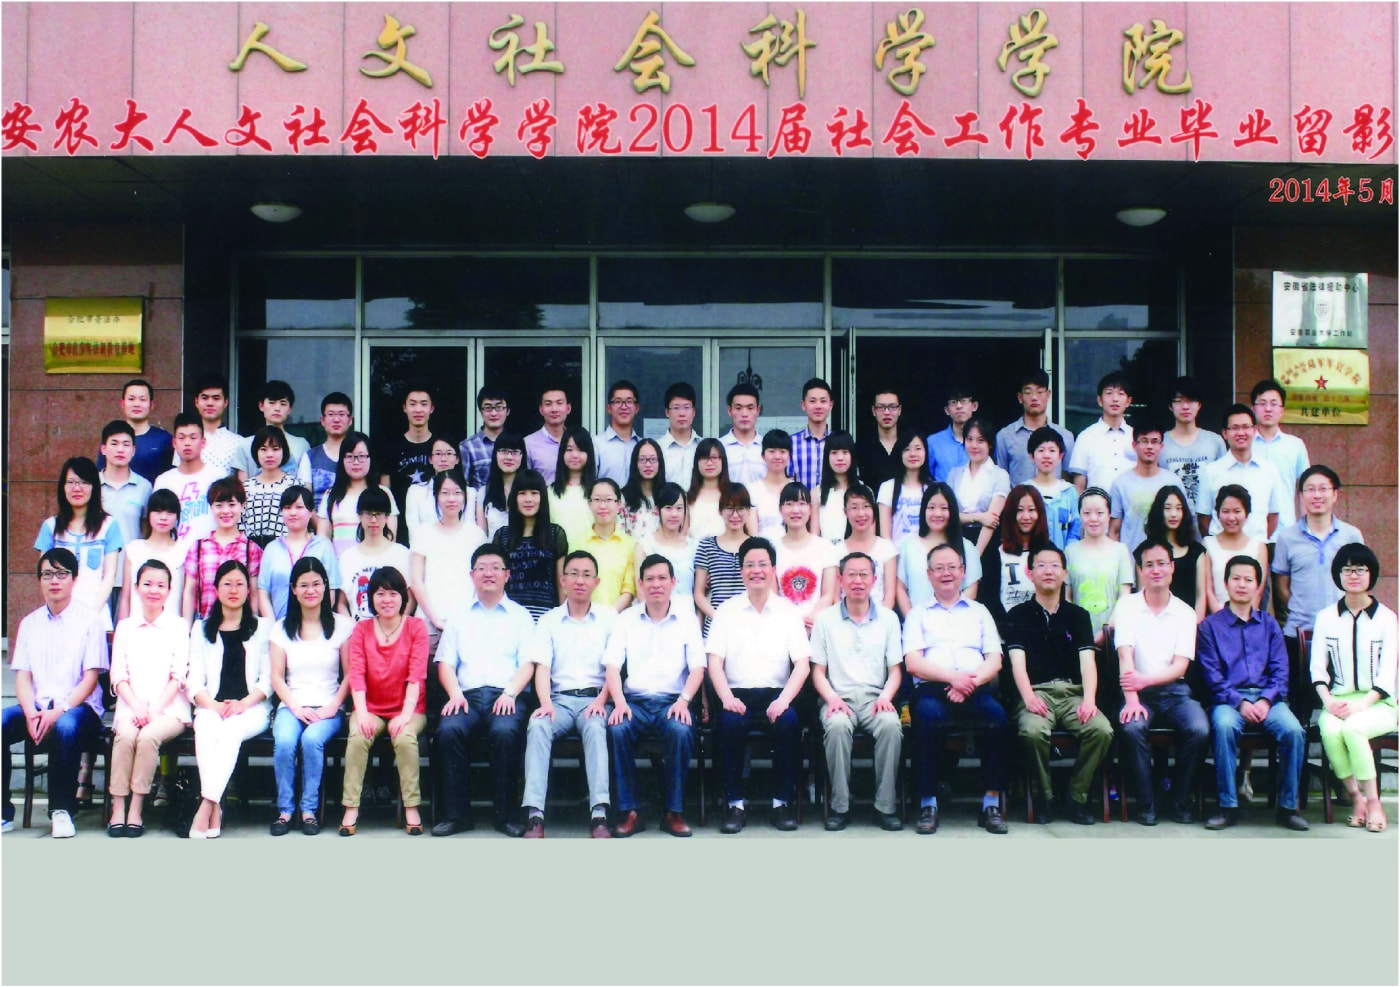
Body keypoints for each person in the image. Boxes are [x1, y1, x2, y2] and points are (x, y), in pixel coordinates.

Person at [706, 537, 812, 833]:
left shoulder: (789, 611)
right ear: (741, 570)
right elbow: (714, 662)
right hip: (736, 695)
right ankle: (735, 804)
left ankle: (781, 803)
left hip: (777, 695)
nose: (756, 570)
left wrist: (784, 701)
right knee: (729, 725)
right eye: (750, 565)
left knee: (789, 723)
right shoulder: (726, 611)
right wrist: (726, 698)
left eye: (763, 564)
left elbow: (802, 664)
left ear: (773, 569)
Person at [903, 542, 1009, 835]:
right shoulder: (918, 614)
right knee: (927, 717)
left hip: (975, 686)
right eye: (939, 568)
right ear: (929, 575)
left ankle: (991, 803)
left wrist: (968, 682)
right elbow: (913, 663)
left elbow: (995, 660)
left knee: (997, 718)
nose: (946, 573)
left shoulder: (979, 611)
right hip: (931, 688)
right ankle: (928, 803)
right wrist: (953, 678)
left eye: (952, 567)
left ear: (963, 571)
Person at [1196, 554, 1309, 831]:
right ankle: (1228, 806)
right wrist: (1241, 702)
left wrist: (1266, 700)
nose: (1242, 584)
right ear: (1226, 583)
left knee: (1294, 731)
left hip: (1268, 699)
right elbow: (1212, 677)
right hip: (1228, 700)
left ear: (1258, 586)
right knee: (1224, 727)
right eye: (1236, 578)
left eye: (1249, 579)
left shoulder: (1270, 625)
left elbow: (1281, 671)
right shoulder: (1210, 627)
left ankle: (1288, 808)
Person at [432, 544, 537, 837]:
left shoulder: (521, 616)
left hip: (507, 695)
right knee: (449, 730)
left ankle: (506, 816)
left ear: (507, 575)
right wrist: (455, 693)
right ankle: (457, 816)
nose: (488, 573)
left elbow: (528, 663)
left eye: (495, 568)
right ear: (472, 575)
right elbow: (445, 663)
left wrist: (510, 694)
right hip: (465, 695)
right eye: (481, 568)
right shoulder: (458, 616)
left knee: (505, 731)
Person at [2, 549, 108, 838]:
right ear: (39, 580)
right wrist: (30, 712)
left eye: (62, 574)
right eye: (47, 574)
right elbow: (23, 677)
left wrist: (58, 710)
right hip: (38, 705)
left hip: (79, 708)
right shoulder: (29, 623)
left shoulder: (90, 621)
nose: (54, 580)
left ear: (74, 579)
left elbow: (90, 680)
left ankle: (61, 810)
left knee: (65, 726)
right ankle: (3, 812)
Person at [1005, 544, 1113, 825]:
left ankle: (1077, 796)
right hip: (1036, 693)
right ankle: (1045, 797)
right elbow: (1017, 664)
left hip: (1073, 694)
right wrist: (1028, 698)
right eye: (1041, 565)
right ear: (1030, 573)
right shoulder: (1017, 615)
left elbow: (1088, 663)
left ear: (1065, 573)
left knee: (1101, 730)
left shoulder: (1079, 616)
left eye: (1055, 565)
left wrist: (1089, 700)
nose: (1048, 571)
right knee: (1032, 731)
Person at [605, 554, 708, 837]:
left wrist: (684, 701)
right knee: (616, 728)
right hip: (634, 703)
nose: (656, 584)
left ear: (673, 582)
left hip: (672, 702)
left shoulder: (687, 620)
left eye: (662, 578)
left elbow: (698, 668)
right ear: (640, 584)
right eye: (649, 579)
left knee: (680, 729)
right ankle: (630, 811)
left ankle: (673, 812)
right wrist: (620, 703)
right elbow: (612, 666)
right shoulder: (626, 620)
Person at [1113, 539, 1210, 826]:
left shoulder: (1185, 612)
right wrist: (1132, 699)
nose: (1156, 570)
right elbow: (1125, 656)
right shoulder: (1127, 606)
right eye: (1149, 565)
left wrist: (1144, 679)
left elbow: (1180, 666)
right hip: (1137, 692)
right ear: (1141, 570)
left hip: (1175, 691)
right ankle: (1147, 804)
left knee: (1199, 729)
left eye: (1162, 564)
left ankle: (1178, 800)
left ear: (1172, 568)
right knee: (1132, 728)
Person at [520, 551, 616, 838]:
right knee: (538, 725)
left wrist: (601, 701)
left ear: (597, 582)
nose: (579, 580)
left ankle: (599, 812)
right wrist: (545, 703)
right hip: (558, 701)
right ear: (562, 580)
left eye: (587, 575)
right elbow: (542, 667)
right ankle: (535, 814)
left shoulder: (609, 618)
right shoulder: (548, 620)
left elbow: (614, 667)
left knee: (596, 728)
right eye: (573, 574)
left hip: (595, 699)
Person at [810, 552, 904, 831]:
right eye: (851, 574)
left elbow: (895, 670)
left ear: (874, 580)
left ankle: (885, 807)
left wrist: (885, 697)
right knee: (837, 726)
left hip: (876, 698)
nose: (858, 581)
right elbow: (818, 672)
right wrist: (831, 698)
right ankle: (840, 807)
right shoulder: (825, 620)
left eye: (864, 574)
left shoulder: (888, 619)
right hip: (838, 698)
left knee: (891, 725)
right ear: (840, 579)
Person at [1311, 544, 1397, 833]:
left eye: (1360, 569)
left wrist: (1362, 706)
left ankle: (1374, 802)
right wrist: (1328, 701)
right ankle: (1356, 799)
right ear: (1338, 574)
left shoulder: (1386, 618)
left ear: (1371, 574)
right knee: (1330, 730)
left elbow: (1387, 674)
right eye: (1347, 569)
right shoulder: (1326, 617)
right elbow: (1317, 668)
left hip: (1379, 703)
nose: (1354, 575)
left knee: (1353, 728)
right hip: (1338, 699)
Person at [186, 560, 272, 838]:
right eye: (227, 584)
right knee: (205, 728)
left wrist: (243, 704)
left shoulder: (262, 627)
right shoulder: (201, 629)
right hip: (212, 705)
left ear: (248, 590)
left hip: (252, 708)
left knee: (231, 730)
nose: (233, 590)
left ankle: (206, 806)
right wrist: (212, 705)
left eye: (239, 584)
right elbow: (194, 680)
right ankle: (215, 807)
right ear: (216, 589)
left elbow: (268, 680)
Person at [340, 567, 429, 837]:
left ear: (403, 596)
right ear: (371, 598)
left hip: (409, 708)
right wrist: (362, 713)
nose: (387, 599)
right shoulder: (362, 629)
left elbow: (416, 676)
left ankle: (411, 806)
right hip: (370, 708)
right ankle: (351, 807)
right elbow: (356, 675)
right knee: (358, 736)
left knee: (405, 737)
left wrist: (405, 715)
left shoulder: (416, 627)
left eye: (393, 593)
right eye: (380, 594)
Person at [269, 557, 353, 836]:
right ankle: (285, 810)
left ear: (326, 586)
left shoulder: (342, 626)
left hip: (329, 707)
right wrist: (295, 707)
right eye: (303, 585)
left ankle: (309, 811)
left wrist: (333, 706)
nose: (310, 590)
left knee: (311, 739)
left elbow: (350, 675)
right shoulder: (281, 628)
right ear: (293, 589)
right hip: (292, 706)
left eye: (316, 584)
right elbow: (277, 677)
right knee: (284, 742)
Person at [106, 559, 189, 838]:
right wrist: (137, 706)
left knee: (148, 737)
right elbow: (118, 675)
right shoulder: (125, 627)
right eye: (148, 584)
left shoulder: (178, 627)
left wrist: (154, 710)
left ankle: (136, 807)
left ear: (169, 590)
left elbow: (178, 675)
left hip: (169, 709)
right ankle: (118, 806)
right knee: (126, 737)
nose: (154, 590)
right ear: (137, 587)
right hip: (131, 707)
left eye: (161, 585)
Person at [1272, 465, 1364, 687]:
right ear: (1301, 496)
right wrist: (1299, 607)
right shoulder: (1287, 537)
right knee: (1301, 697)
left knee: (1343, 693)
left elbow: (1361, 582)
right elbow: (1281, 584)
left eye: (1323, 489)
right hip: (1300, 631)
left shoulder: (1351, 535)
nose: (1317, 495)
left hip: (1343, 629)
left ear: (1335, 495)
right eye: (1310, 489)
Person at [35, 456, 124, 630]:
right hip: (58, 618)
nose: (77, 488)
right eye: (71, 482)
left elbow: (109, 575)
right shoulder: (50, 527)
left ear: (94, 487)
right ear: (63, 487)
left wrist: (91, 615)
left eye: (84, 482)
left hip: (97, 617)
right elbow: (45, 576)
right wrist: (58, 612)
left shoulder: (109, 525)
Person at [411, 468, 486, 653]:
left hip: (467, 625)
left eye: (457, 493)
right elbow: (416, 580)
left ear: (465, 496)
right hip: (428, 625)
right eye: (445, 493)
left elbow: (483, 580)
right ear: (436, 497)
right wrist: (435, 619)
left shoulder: (476, 535)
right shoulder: (423, 533)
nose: (451, 499)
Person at [1195, 404, 1284, 544]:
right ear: (1225, 433)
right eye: (1235, 428)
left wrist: (1255, 544)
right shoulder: (1210, 471)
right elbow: (1203, 518)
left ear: (1254, 430)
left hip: (1257, 549)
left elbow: (1273, 516)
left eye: (1246, 427)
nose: (1241, 433)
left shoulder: (1269, 470)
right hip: (1221, 551)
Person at [256, 486, 342, 622]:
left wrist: (316, 623)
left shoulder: (323, 546)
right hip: (279, 625)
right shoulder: (271, 549)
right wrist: (274, 628)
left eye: (299, 507)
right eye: (287, 507)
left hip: (315, 626)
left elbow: (331, 590)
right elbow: (263, 593)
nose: (293, 512)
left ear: (310, 512)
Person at [182, 478, 263, 622]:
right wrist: (187, 629)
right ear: (211, 507)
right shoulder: (198, 547)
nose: (226, 511)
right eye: (219, 505)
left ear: (242, 506)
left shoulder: (251, 549)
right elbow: (190, 591)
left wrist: (254, 625)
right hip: (205, 624)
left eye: (232, 504)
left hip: (241, 627)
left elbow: (254, 593)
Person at [895, 483, 982, 617]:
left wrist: (949, 621)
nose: (937, 513)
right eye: (931, 507)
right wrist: (912, 620)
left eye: (944, 508)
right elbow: (900, 588)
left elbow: (971, 590)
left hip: (955, 623)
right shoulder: (908, 544)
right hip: (917, 623)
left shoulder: (967, 547)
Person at [493, 469, 568, 621]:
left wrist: (562, 618)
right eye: (522, 493)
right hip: (510, 619)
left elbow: (562, 584)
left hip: (546, 619)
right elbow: (497, 583)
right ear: (514, 498)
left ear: (542, 498)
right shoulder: (502, 536)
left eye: (534, 493)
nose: (528, 499)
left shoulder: (555, 534)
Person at [1064, 487, 1133, 647]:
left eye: (1100, 513)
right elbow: (1067, 597)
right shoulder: (1070, 551)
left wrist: (1107, 630)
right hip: (1078, 637)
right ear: (1080, 515)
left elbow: (1125, 597)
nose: (1093, 519)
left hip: (1113, 638)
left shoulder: (1120, 550)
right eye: (1087, 513)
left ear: (1109, 515)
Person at [1109, 420, 1186, 554]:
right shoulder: (1121, 483)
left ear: (1161, 446)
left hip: (1167, 561)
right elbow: (1114, 530)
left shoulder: (1173, 481)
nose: (1149, 446)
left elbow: (1184, 524)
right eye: (1144, 441)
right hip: (1131, 559)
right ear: (1134, 445)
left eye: (1155, 441)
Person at [317, 430, 399, 556]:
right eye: (350, 456)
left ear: (370, 458)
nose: (356, 462)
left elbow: (390, 538)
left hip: (375, 563)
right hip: (340, 564)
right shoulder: (331, 495)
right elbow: (323, 540)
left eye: (361, 456)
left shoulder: (383, 494)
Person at [337, 487, 412, 621]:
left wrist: (400, 625)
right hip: (358, 630)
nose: (373, 520)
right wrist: (352, 628)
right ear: (359, 515)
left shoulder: (402, 554)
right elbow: (341, 603)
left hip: (396, 629)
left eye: (378, 514)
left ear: (387, 516)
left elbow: (411, 597)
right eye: (368, 513)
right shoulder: (347, 557)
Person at [377, 383, 438, 547]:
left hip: (435, 526)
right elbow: (385, 493)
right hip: (399, 529)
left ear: (431, 408)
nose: (418, 410)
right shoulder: (391, 447)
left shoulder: (440, 446)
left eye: (423, 404)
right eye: (412, 404)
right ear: (405, 408)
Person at [979, 484, 1048, 629]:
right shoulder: (996, 552)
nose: (1026, 516)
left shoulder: (1049, 551)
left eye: (1031, 510)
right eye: (1019, 510)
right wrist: (1009, 630)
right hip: (1005, 632)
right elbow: (989, 599)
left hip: (1041, 633)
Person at [774, 482, 838, 632]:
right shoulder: (772, 548)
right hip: (783, 626)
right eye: (789, 504)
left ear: (810, 509)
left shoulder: (825, 547)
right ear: (780, 509)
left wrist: (812, 618)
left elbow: (828, 594)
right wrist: (793, 621)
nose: (795, 510)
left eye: (801, 504)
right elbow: (772, 595)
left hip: (817, 626)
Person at [993, 369, 1074, 485]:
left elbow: (1067, 478)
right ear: (1020, 397)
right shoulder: (1005, 436)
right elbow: (1001, 479)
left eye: (1040, 392)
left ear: (1048, 395)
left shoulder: (1065, 436)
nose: (1034, 397)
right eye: (1028, 392)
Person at [153, 412, 223, 545]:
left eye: (193, 437)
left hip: (210, 552)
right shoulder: (163, 481)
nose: (187, 443)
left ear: (203, 442)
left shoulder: (218, 476)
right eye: (181, 438)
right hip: (173, 552)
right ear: (174, 442)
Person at [694, 483, 754, 636]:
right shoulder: (706, 545)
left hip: (749, 626)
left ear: (748, 511)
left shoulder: (756, 547)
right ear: (720, 511)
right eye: (729, 508)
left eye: (740, 508)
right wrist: (719, 618)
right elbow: (699, 594)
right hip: (715, 627)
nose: (735, 515)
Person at [1251, 378, 1310, 532]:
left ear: (1282, 410)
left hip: (1285, 530)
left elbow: (1304, 489)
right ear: (1253, 408)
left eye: (1274, 404)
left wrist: (1306, 528)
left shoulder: (1295, 445)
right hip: (1250, 530)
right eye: (1262, 403)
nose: (1268, 409)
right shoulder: (1244, 445)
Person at [118, 488, 187, 620]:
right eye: (158, 511)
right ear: (148, 514)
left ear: (177, 517)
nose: (163, 517)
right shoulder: (134, 549)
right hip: (136, 626)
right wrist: (121, 628)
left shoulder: (184, 550)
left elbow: (187, 596)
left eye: (170, 512)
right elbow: (126, 597)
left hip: (172, 627)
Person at [947, 417, 1011, 556]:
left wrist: (975, 556)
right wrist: (979, 517)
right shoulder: (954, 474)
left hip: (987, 544)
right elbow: (949, 515)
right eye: (969, 439)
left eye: (980, 440)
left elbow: (991, 521)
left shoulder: (1000, 475)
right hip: (956, 541)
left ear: (990, 444)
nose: (974, 445)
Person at [1160, 375, 1225, 510]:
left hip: (1207, 518)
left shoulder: (1215, 441)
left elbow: (1223, 483)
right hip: (1172, 518)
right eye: (1179, 401)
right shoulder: (1160, 443)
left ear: (1199, 405)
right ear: (1170, 406)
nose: (1185, 406)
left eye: (1191, 401)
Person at [1144, 486, 1208, 622]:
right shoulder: (1146, 551)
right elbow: (1142, 593)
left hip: (1189, 624)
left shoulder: (1197, 551)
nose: (1173, 514)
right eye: (1167, 508)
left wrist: (1195, 625)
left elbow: (1201, 595)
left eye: (1179, 508)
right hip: (1155, 622)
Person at [1202, 485, 1269, 614]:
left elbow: (1258, 591)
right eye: (1226, 511)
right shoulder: (1208, 544)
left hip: (1249, 619)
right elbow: (1208, 590)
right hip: (1216, 617)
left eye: (1237, 511)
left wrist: (1244, 618)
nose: (1231, 518)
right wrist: (1221, 620)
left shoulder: (1258, 546)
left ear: (1246, 513)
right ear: (1218, 513)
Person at [634, 482, 697, 616]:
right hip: (654, 616)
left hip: (688, 615)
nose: (674, 514)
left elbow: (699, 591)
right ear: (658, 510)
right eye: (668, 508)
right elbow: (641, 591)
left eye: (679, 508)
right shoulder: (646, 545)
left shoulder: (694, 547)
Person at [1068, 372, 1135, 493]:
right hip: (1095, 504)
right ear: (1100, 400)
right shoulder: (1086, 437)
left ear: (1128, 401)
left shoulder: (1136, 437)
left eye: (1121, 394)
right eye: (1109, 393)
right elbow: (1079, 487)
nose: (1115, 399)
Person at [96, 378, 173, 484]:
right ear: (122, 404)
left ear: (151, 405)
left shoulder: (164, 439)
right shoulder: (111, 437)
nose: (137, 404)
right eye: (131, 399)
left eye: (142, 399)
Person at [230, 380, 309, 482]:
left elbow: (305, 483)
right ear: (261, 406)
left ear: (290, 409)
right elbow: (241, 487)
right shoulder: (245, 444)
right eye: (272, 403)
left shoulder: (301, 444)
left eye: (283, 403)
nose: (277, 408)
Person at [405, 436, 478, 544]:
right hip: (425, 549)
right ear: (430, 459)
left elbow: (469, 528)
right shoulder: (415, 492)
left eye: (449, 453)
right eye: (438, 454)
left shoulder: (470, 493)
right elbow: (414, 530)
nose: (443, 459)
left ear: (457, 459)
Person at [98, 420, 153, 559]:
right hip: (97, 567)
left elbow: (148, 530)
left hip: (132, 566)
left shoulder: (144, 487)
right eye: (114, 443)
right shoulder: (92, 485)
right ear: (103, 449)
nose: (120, 450)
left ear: (133, 450)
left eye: (126, 444)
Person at [580, 478, 637, 612]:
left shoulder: (630, 544)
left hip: (619, 618)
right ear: (589, 503)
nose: (603, 506)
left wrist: (609, 615)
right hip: (585, 618)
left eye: (608, 500)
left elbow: (629, 589)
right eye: (597, 500)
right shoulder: (579, 543)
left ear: (619, 504)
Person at [840, 485, 897, 611]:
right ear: (845, 512)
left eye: (866, 506)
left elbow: (890, 595)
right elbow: (836, 596)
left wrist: (880, 619)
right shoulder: (837, 551)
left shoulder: (886, 549)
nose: (861, 513)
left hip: (879, 617)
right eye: (854, 507)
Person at [239, 425, 297, 548]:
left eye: (275, 449)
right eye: (263, 449)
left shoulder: (294, 485)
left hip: (285, 549)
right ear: (256, 452)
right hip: (251, 551)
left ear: (284, 452)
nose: (269, 454)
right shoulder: (245, 488)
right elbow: (239, 525)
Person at [1025, 426, 1081, 550]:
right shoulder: (1024, 490)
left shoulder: (1069, 491)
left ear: (1060, 455)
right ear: (1031, 456)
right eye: (1041, 450)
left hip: (1063, 558)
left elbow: (1075, 529)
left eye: (1052, 450)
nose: (1046, 456)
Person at [295, 392, 354, 506]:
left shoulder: (359, 456)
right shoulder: (310, 457)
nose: (336, 419)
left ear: (350, 420)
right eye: (331, 414)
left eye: (341, 414)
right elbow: (305, 499)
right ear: (322, 420)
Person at [181, 372, 243, 477]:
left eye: (216, 398)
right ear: (196, 402)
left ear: (225, 402)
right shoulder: (184, 441)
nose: (210, 403)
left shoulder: (239, 443)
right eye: (205, 398)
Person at [548, 426, 598, 551]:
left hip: (592, 557)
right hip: (559, 558)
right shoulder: (550, 492)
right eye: (569, 449)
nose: (575, 455)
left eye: (580, 450)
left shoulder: (598, 492)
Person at [877, 431, 931, 545]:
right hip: (896, 554)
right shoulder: (887, 488)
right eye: (907, 449)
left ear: (925, 452)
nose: (913, 454)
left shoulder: (933, 488)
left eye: (918, 448)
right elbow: (885, 537)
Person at [459, 385, 511, 489]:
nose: (493, 413)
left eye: (499, 407)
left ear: (508, 411)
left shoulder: (517, 443)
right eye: (488, 408)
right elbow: (463, 487)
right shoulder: (467, 447)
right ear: (481, 411)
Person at [687, 438, 737, 541]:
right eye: (704, 458)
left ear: (722, 461)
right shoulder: (687, 497)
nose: (709, 463)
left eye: (714, 457)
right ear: (697, 462)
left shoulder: (734, 494)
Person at [477, 432, 527, 538]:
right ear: (495, 454)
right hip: (492, 547)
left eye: (515, 452)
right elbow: (482, 535)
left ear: (522, 456)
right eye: (503, 451)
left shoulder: (530, 490)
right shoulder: (484, 492)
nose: (509, 457)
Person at [812, 430, 858, 543]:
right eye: (834, 452)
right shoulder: (816, 493)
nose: (840, 458)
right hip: (825, 552)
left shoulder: (864, 491)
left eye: (845, 452)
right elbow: (814, 536)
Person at [749, 429, 794, 541]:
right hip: (761, 548)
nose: (777, 456)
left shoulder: (797, 489)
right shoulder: (752, 490)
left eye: (782, 451)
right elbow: (753, 534)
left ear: (789, 456)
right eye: (772, 451)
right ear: (763, 456)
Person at [790, 377, 834, 489]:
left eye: (823, 401)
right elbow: (787, 482)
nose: (818, 406)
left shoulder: (839, 442)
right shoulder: (791, 443)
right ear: (803, 405)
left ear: (831, 405)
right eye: (812, 401)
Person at [856, 389, 903, 493]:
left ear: (899, 410)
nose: (887, 412)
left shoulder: (908, 445)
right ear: (873, 410)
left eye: (892, 407)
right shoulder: (862, 447)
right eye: (881, 407)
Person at [927, 387, 978, 483]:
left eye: (964, 401)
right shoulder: (933, 442)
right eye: (953, 402)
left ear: (974, 406)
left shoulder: (983, 442)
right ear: (947, 410)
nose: (959, 406)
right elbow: (926, 477)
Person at [719, 383, 766, 486]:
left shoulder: (768, 447)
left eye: (750, 408)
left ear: (758, 410)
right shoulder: (719, 447)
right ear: (729, 411)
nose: (744, 414)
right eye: (738, 408)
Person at [619, 438, 666, 541]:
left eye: (653, 459)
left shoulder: (667, 496)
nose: (648, 464)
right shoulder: (622, 498)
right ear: (635, 463)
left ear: (660, 462)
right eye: (642, 459)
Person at [596, 379, 641, 483]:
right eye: (618, 402)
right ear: (609, 408)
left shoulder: (643, 446)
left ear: (637, 408)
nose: (624, 407)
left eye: (629, 402)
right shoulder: (596, 445)